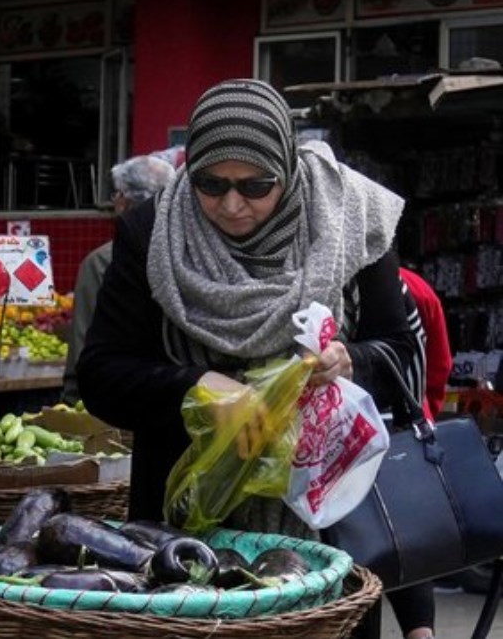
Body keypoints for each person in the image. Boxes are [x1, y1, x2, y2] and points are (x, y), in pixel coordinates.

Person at [76, 79, 433, 639]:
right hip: (191, 543)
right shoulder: (150, 234)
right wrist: (194, 388)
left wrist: (348, 361)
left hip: (333, 533)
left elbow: (404, 359)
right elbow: (99, 375)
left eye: (256, 185)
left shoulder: (352, 222)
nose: (232, 204)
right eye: (210, 184)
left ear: (287, 169)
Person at [61, 154, 175, 405]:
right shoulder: (195, 257)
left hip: (119, 409)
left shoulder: (102, 262)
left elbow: (85, 351)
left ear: (122, 201)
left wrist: (71, 402)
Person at [400, 267, 453, 420]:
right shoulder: (418, 288)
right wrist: (429, 411)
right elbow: (440, 366)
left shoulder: (337, 282)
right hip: (414, 418)